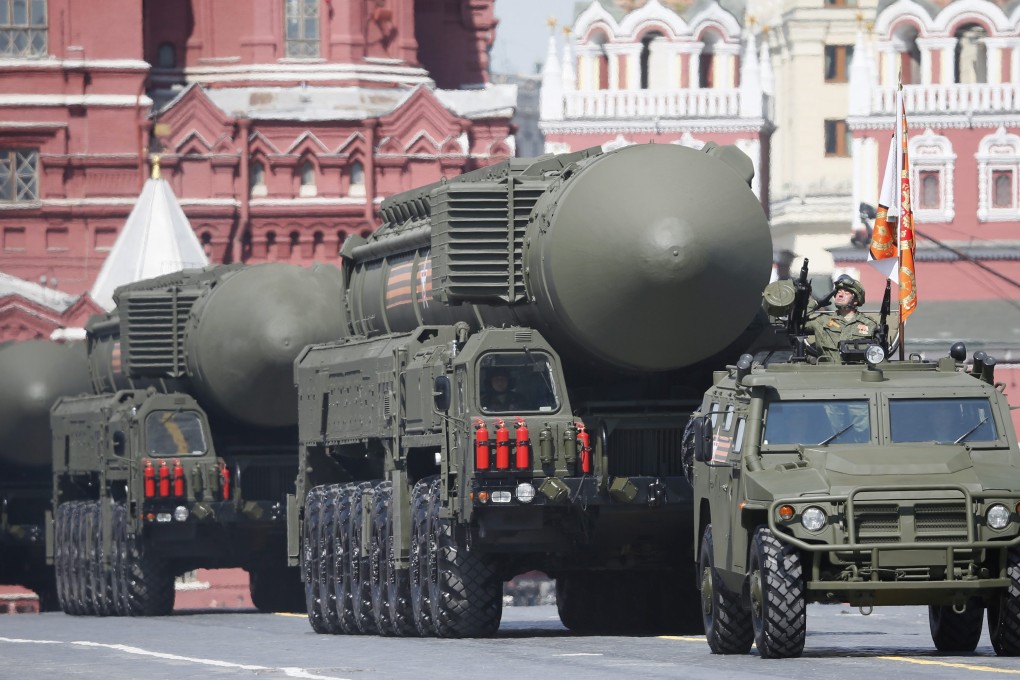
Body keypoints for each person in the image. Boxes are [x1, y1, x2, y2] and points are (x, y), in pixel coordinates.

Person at [804, 275, 877, 362]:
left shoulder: (869, 324)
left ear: (856, 300)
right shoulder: (822, 321)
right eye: (838, 292)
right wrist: (817, 302)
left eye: (846, 293)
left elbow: (877, 353)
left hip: (858, 372)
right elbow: (798, 321)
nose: (840, 295)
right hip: (829, 372)